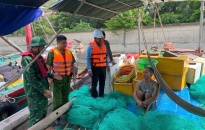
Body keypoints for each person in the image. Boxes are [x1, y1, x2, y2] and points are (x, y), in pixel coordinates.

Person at [21, 36, 62, 127]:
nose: (43, 49)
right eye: (42, 47)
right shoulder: (27, 59)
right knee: (36, 116)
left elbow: (43, 72)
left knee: (43, 113)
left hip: (42, 91)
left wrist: (53, 75)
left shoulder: (38, 57)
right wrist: (44, 90)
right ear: (35, 47)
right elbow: (31, 78)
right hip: (35, 93)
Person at [46, 35, 76, 122]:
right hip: (57, 79)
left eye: (66, 42)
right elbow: (48, 66)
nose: (65, 44)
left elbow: (72, 65)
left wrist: (74, 75)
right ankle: (56, 117)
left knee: (65, 97)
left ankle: (64, 112)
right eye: (63, 43)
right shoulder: (52, 52)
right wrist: (50, 79)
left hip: (67, 78)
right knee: (57, 99)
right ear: (58, 43)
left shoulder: (69, 52)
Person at [86, 29, 109, 98]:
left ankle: (101, 96)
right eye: (99, 39)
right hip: (95, 68)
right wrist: (89, 69)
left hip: (103, 67)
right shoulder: (90, 47)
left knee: (102, 83)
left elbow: (105, 56)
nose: (100, 40)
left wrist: (107, 65)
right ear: (95, 38)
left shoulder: (104, 46)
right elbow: (87, 58)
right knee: (94, 83)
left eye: (101, 38)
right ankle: (94, 97)